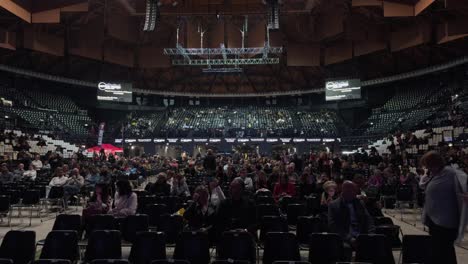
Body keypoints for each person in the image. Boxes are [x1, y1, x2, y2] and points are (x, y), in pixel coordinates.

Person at [421, 151, 468, 264]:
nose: (427, 169)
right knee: (440, 253)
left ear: (435, 164)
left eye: (428, 165)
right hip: (435, 221)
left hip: (446, 223)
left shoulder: (452, 174)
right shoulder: (436, 175)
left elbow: (464, 186)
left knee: (444, 252)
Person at [328, 181, 375, 248]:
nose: (355, 193)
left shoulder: (359, 203)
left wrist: (371, 234)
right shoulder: (334, 205)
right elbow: (333, 226)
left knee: (379, 242)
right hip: (345, 237)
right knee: (345, 247)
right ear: (345, 191)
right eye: (353, 191)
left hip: (361, 235)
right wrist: (349, 238)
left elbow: (368, 220)